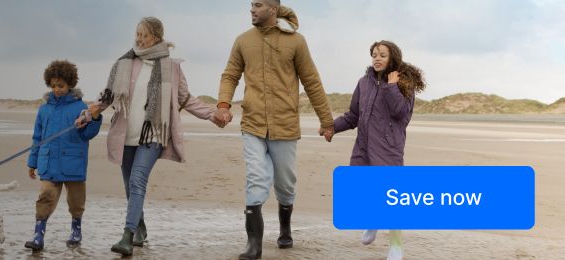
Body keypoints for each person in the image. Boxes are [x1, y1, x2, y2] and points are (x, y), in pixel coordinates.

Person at [89, 16, 225, 256]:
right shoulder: (125, 63)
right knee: (130, 187)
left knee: (137, 180)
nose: (139, 39)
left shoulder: (171, 67)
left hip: (152, 135)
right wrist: (88, 112)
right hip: (125, 135)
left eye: (144, 35)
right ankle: (139, 226)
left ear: (157, 38)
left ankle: (127, 236)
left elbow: (185, 99)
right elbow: (108, 96)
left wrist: (212, 115)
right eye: (137, 34)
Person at [212, 1, 335, 259]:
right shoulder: (243, 40)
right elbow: (230, 74)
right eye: (251, 5)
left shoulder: (296, 42)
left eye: (258, 5)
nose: (252, 9)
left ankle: (285, 226)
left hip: (285, 125)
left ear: (273, 9)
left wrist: (326, 121)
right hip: (253, 123)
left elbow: (312, 81)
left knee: (285, 184)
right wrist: (223, 104)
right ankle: (253, 245)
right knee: (256, 178)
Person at [328, 40, 426, 260]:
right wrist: (331, 128)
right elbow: (353, 115)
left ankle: (396, 246)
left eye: (382, 54)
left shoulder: (403, 83)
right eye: (374, 54)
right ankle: (372, 220)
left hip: (389, 148)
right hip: (363, 147)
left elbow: (401, 114)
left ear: (393, 58)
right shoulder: (364, 83)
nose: (377, 58)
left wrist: (392, 86)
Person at [24, 60, 102, 251]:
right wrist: (32, 162)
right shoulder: (44, 109)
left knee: (76, 201)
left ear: (70, 84)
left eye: (61, 85)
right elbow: (37, 138)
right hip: (48, 162)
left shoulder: (80, 107)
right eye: (53, 86)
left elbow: (87, 134)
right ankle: (38, 235)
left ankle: (76, 229)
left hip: (73, 163)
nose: (56, 89)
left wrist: (95, 118)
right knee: (45, 196)